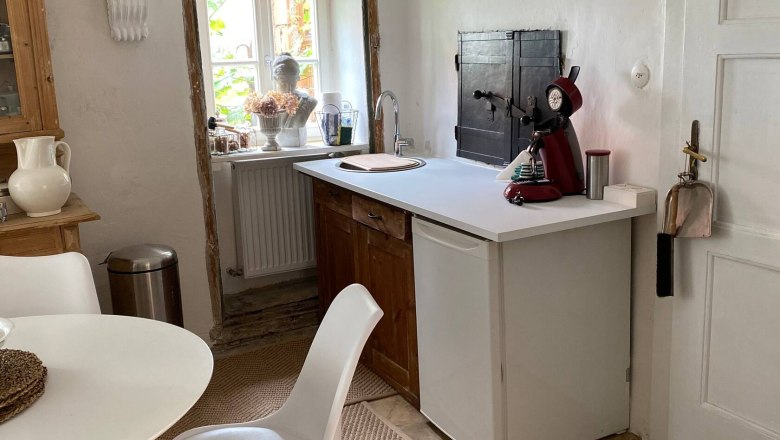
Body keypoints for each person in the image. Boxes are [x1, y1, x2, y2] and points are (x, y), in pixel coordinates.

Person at [272, 52, 317, 128]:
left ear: (297, 79)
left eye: (292, 83)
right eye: (284, 82)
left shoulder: (308, 102)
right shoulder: (270, 105)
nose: (289, 88)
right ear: (275, 79)